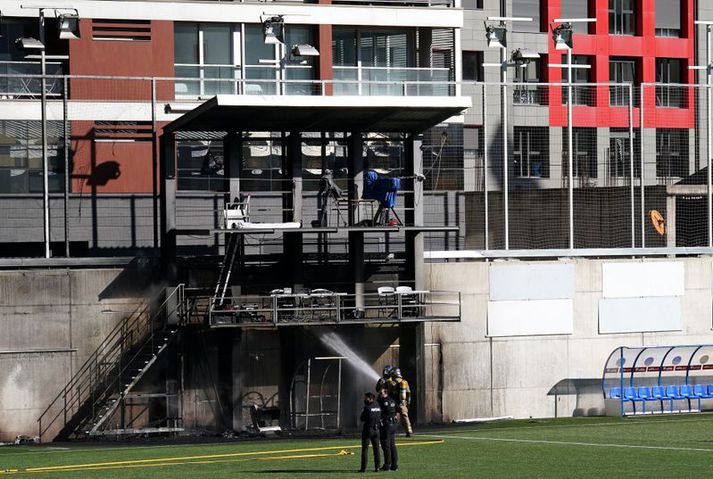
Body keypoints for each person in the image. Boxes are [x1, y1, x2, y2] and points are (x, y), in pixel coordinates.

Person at [359, 392, 382, 473]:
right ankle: (377, 467)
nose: (364, 399)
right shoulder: (378, 406)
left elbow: (362, 418)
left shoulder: (367, 408)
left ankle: (363, 468)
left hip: (368, 430)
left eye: (366, 398)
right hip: (377, 430)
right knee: (376, 450)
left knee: (365, 450)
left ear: (370, 398)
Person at [377, 387, 399, 471]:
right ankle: (394, 465)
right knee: (392, 445)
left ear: (385, 393)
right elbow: (397, 410)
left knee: (386, 445)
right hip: (393, 424)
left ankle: (387, 465)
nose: (379, 395)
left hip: (386, 425)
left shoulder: (382, 402)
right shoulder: (392, 401)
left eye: (380, 393)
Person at [392, 368, 413, 437]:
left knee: (392, 416)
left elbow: (389, 392)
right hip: (402, 403)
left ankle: (392, 431)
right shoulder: (404, 382)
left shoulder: (391, 382)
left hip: (393, 402)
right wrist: (408, 403)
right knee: (405, 416)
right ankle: (409, 431)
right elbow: (408, 393)